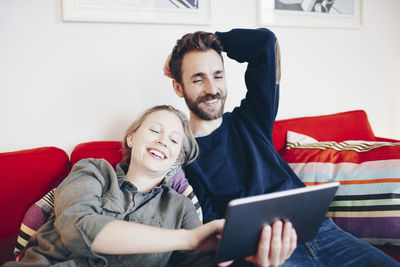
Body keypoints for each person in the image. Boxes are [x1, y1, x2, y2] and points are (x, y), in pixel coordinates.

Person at [164, 28, 400, 266]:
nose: (212, 89)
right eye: (198, 79)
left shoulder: (251, 120)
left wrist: (211, 40)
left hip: (322, 233)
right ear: (178, 87)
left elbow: (265, 43)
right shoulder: (183, 156)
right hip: (266, 252)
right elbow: (212, 232)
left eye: (218, 75)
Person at [4, 105, 228, 267]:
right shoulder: (93, 171)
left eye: (173, 140)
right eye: (154, 130)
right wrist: (187, 239)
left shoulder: (181, 208)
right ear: (132, 137)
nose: (162, 141)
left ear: (176, 158)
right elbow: (77, 228)